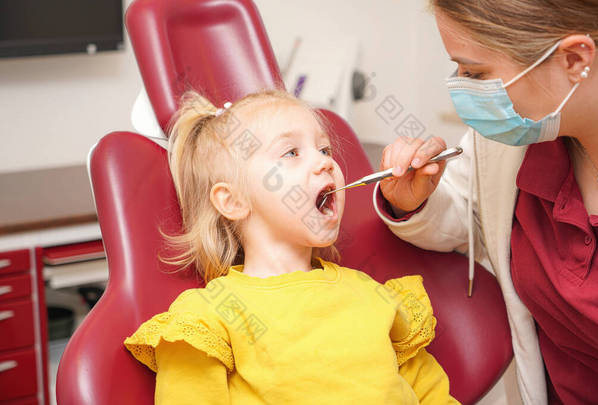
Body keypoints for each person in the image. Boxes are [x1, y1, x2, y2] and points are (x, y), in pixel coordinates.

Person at [123, 89, 460, 404]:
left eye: (325, 149)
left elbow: (431, 393)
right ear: (233, 200)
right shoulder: (209, 316)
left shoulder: (373, 295)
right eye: (291, 152)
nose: (326, 162)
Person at [374, 1, 598, 404]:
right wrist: (415, 201)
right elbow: (469, 213)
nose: (463, 89)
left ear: (574, 59)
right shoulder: (519, 138)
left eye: (476, 73)